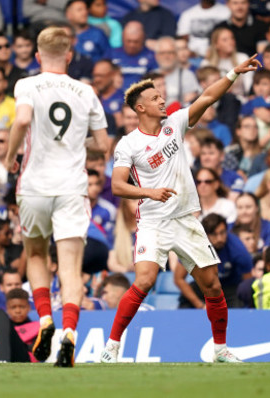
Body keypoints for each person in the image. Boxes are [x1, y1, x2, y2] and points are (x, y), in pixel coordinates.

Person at [100, 53, 260, 364]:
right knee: (144, 281)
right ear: (140, 108)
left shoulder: (175, 123)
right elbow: (118, 185)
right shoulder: (128, 144)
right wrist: (150, 192)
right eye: (155, 97)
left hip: (185, 219)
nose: (163, 100)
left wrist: (233, 73)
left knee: (212, 285)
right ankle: (112, 347)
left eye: (162, 95)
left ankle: (220, 350)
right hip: (153, 221)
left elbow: (209, 97)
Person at [4, 26, 109, 367]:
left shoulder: (27, 84)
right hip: (71, 188)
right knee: (70, 267)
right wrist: (78, 140)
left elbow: (22, 118)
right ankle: (70, 333)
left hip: (34, 185)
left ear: (37, 56)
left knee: (35, 254)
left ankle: (45, 318)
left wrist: (10, 155)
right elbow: (103, 144)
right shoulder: (86, 91)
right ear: (70, 55)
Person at [175, 214, 253, 308]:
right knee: (185, 303)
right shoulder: (193, 246)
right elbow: (179, 279)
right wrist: (200, 306)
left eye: (222, 233)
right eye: (214, 234)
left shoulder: (238, 250)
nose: (219, 238)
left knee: (238, 307)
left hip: (230, 288)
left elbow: (247, 282)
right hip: (203, 287)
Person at [0, 288, 40, 363]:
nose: (18, 311)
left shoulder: (37, 327)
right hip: (0, 355)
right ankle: (1, 360)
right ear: (7, 309)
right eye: (13, 307)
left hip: (23, 358)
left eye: (22, 307)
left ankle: (4, 360)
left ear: (29, 307)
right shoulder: (0, 327)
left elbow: (38, 352)